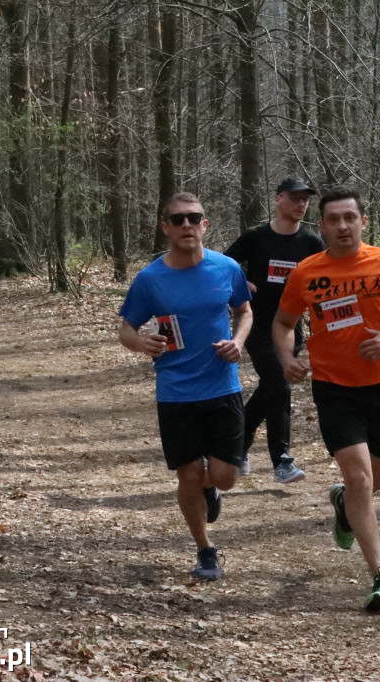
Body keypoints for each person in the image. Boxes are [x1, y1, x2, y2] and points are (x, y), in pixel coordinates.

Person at [273, 186, 380, 611]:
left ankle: (343, 502)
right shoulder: (307, 272)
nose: (343, 226)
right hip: (334, 389)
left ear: (363, 222)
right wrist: (287, 357)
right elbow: (283, 322)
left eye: (350, 218)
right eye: (334, 219)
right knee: (361, 480)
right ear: (323, 226)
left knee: (374, 482)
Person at [119, 191, 252, 582]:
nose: (187, 225)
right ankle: (205, 550)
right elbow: (126, 329)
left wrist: (238, 341)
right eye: (178, 219)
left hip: (222, 387)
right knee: (188, 474)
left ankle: (210, 489)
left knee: (225, 477)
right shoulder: (150, 279)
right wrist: (141, 343)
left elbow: (245, 311)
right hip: (175, 391)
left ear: (205, 225)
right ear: (166, 228)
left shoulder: (226, 268)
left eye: (194, 218)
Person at [224, 177, 325, 483]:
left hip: (291, 327)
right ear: (278, 199)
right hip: (256, 325)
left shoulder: (311, 243)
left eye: (305, 199)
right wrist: (242, 283)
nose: (301, 204)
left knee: (272, 386)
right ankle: (281, 461)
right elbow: (224, 265)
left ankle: (237, 445)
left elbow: (324, 281)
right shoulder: (256, 237)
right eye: (295, 198)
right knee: (279, 384)